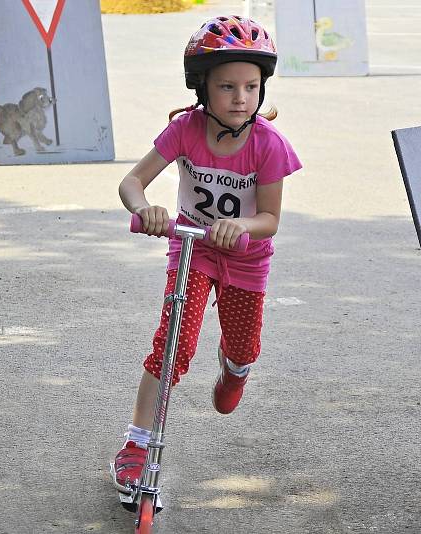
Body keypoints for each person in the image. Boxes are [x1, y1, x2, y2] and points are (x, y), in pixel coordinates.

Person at [111, 16, 302, 492]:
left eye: (251, 86)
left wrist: (244, 225)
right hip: (192, 248)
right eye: (227, 86)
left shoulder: (268, 145)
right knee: (172, 342)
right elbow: (132, 181)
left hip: (245, 258)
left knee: (242, 346)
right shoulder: (184, 131)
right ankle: (137, 444)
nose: (241, 97)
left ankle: (235, 367)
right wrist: (146, 208)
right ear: (202, 88)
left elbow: (271, 219)